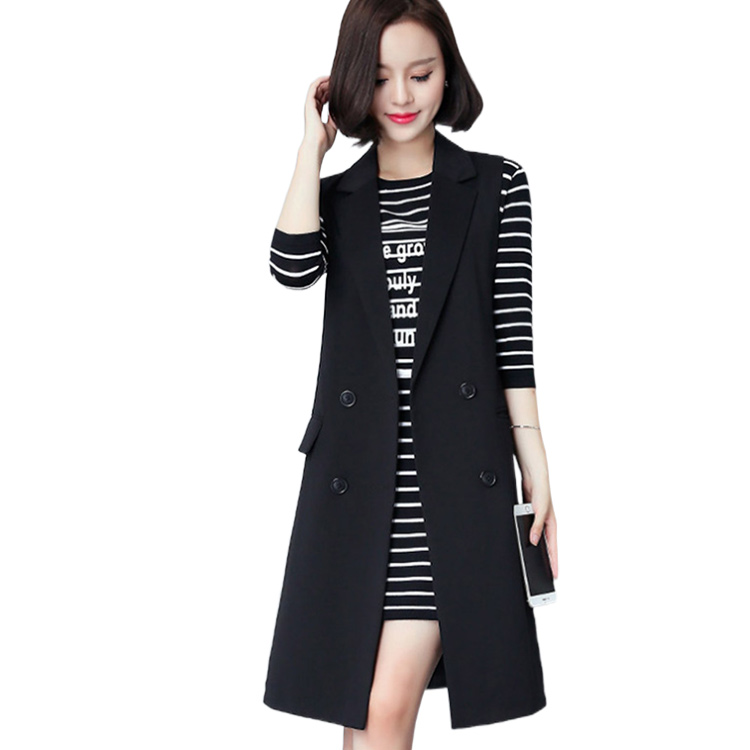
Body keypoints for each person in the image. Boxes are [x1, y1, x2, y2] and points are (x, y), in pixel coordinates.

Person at [265, 1, 558, 747]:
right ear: (353, 82)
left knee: (384, 706)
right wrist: (311, 151)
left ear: (448, 73)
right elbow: (290, 267)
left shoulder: (496, 184)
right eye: (380, 77)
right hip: (357, 488)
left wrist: (536, 469)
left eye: (420, 74)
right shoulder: (339, 197)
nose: (400, 96)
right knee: (360, 714)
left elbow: (513, 337)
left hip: (453, 486)